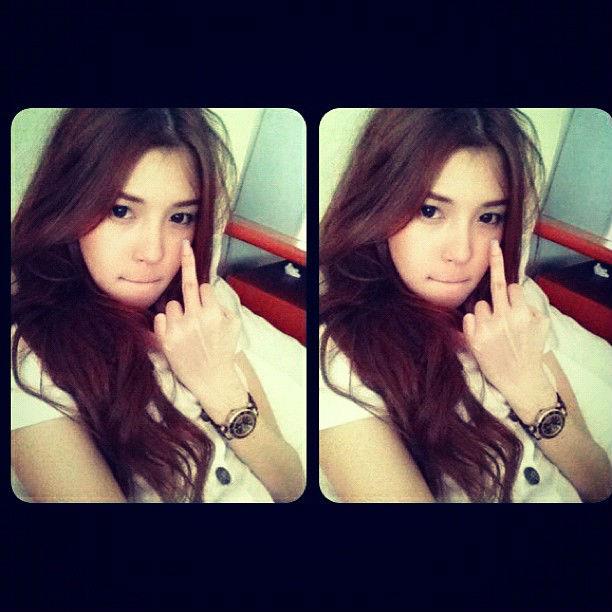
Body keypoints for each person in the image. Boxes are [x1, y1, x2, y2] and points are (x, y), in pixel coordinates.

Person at [11, 108, 305, 503]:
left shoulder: (205, 308)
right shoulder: (31, 360)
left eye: (180, 217)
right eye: (121, 211)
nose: (153, 252)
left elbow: (290, 482)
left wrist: (217, 386)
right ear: (67, 206)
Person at [319, 108, 612, 503]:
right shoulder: (340, 360)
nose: (462, 252)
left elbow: (598, 482)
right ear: (377, 206)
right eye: (429, 211)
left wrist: (527, 388)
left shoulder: (514, 301)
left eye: (489, 217)